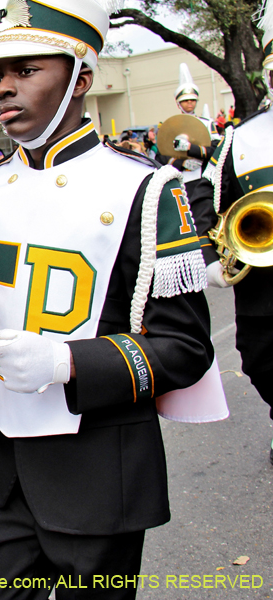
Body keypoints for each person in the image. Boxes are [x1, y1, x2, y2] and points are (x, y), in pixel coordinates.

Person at [0, 3, 215, 596]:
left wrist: (68, 362)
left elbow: (185, 347)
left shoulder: (147, 191)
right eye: (0, 72)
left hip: (102, 471)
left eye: (26, 69)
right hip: (9, 473)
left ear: (81, 78)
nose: (3, 85)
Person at [198, 0, 273, 466]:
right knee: (260, 359)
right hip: (266, 281)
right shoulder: (242, 139)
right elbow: (207, 194)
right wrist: (212, 256)